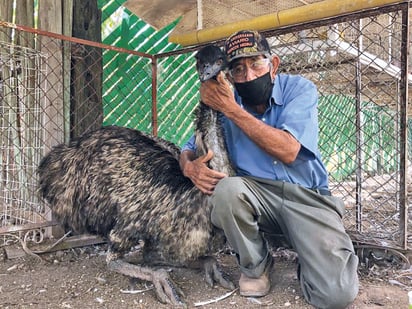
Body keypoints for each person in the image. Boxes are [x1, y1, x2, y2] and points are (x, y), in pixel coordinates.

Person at [179, 30, 359, 309]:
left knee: (336, 296)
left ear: (273, 65)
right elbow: (188, 147)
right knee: (226, 190)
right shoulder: (224, 102)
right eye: (238, 69)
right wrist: (190, 167)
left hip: (307, 199)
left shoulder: (298, 89)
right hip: (258, 198)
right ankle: (256, 266)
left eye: (256, 64)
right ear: (230, 75)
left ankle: (313, 255)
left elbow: (289, 151)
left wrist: (230, 109)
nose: (248, 75)